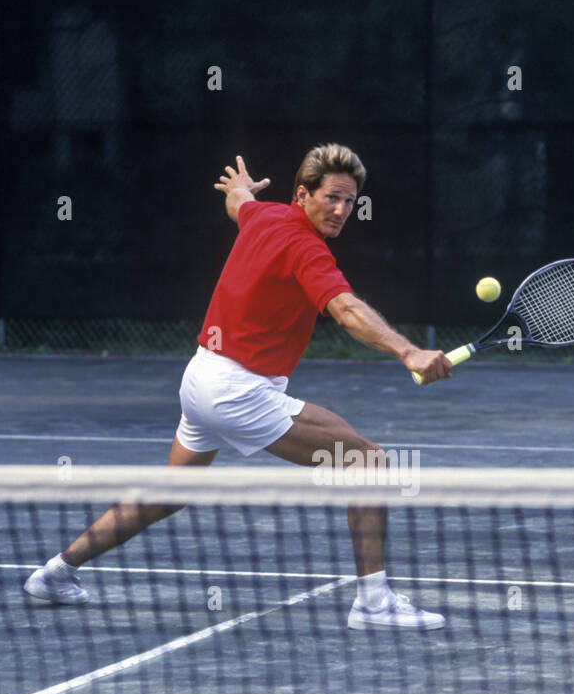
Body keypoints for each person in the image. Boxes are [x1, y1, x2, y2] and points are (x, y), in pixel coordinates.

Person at [25, 144, 452, 628]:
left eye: (350, 202)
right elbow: (346, 309)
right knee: (369, 462)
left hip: (200, 378)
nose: (340, 211)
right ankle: (373, 603)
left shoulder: (264, 216)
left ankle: (55, 573)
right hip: (238, 391)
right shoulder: (306, 248)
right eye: (331, 198)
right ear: (302, 194)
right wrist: (408, 351)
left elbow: (239, 206)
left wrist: (239, 190)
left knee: (170, 492)